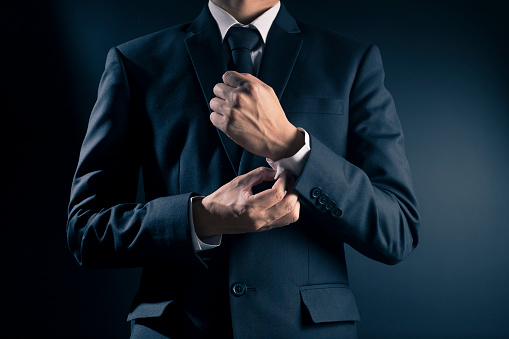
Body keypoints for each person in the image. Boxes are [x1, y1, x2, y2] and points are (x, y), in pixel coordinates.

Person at [67, 0, 420, 337]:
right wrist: (203, 219)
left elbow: (397, 229)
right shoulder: (135, 62)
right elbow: (85, 230)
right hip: (177, 329)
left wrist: (289, 146)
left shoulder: (351, 61)